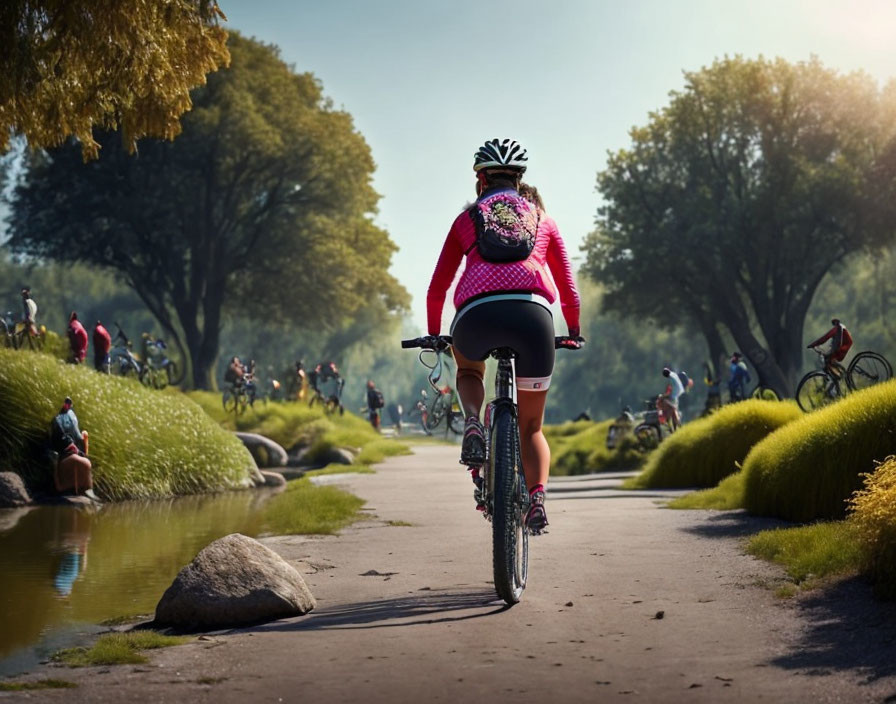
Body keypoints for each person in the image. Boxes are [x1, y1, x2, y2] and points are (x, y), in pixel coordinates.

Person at [426, 138, 581, 533]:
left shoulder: (466, 220)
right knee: (531, 428)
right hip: (533, 320)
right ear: (519, 178)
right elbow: (568, 288)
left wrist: (433, 335)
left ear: (481, 180)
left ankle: (475, 423)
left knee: (469, 372)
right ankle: (537, 500)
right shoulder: (543, 219)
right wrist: (574, 331)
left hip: (476, 317)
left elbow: (437, 288)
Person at [49, 397, 96, 498]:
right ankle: (91, 492)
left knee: (60, 488)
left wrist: (55, 462)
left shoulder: (57, 420)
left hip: (67, 457)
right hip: (82, 461)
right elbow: (80, 438)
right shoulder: (72, 418)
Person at [659, 367, 684, 431]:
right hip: (676, 395)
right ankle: (676, 428)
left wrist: (663, 396)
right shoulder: (673, 374)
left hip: (673, 397)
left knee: (666, 406)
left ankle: (672, 427)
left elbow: (670, 391)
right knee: (674, 415)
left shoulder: (671, 379)